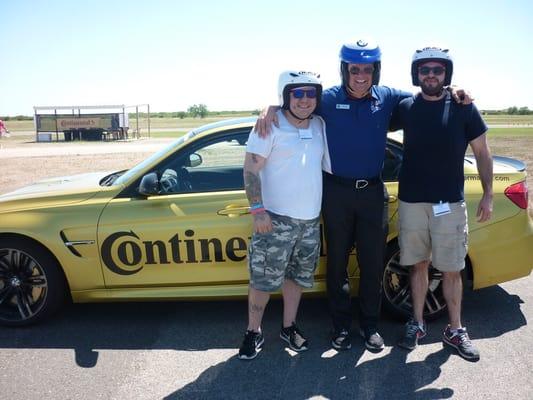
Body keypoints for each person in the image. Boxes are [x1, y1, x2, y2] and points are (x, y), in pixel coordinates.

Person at [255, 39, 470, 352]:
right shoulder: (326, 98)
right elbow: (294, 104)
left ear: (376, 71)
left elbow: (428, 96)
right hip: (336, 192)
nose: (360, 75)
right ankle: (341, 327)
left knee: (372, 264)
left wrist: (455, 91)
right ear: (344, 70)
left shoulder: (388, 98)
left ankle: (370, 327)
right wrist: (270, 108)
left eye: (367, 69)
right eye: (354, 69)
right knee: (337, 264)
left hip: (371, 192)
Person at [394, 47, 492, 361]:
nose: (431, 75)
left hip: (449, 202)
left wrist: (488, 194)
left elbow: (482, 152)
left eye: (437, 70)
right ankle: (417, 323)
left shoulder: (464, 108)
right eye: (425, 70)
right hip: (412, 202)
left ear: (446, 74)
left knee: (451, 268)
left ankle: (455, 329)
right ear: (416, 75)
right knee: (418, 264)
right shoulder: (406, 107)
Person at [238, 71, 326, 360]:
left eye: (310, 93)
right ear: (285, 96)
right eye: (297, 93)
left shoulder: (320, 125)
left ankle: (289, 327)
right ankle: (253, 331)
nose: (304, 100)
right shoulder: (269, 126)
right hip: (275, 221)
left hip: (310, 222)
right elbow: (251, 169)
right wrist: (258, 210)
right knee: (262, 280)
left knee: (296, 279)